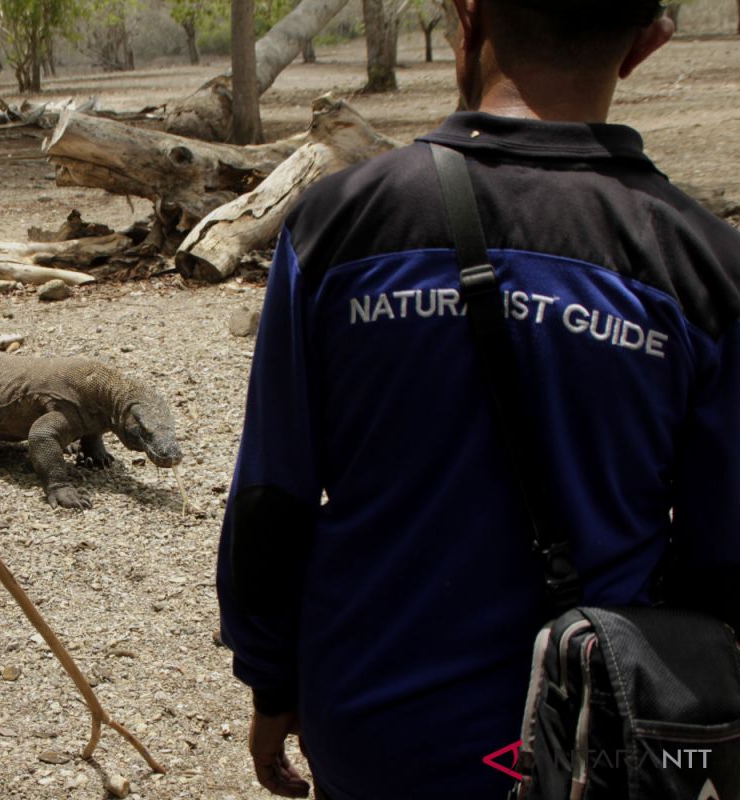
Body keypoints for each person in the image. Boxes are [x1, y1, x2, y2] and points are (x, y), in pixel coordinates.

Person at [217, 1, 740, 798]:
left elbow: (269, 497)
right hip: (600, 734)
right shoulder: (704, 266)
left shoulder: (338, 225)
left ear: (466, 18)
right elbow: (723, 558)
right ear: (646, 44)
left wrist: (271, 682)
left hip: (373, 724)